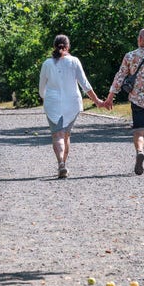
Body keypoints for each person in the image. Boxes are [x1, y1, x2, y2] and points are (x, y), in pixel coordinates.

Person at [105, 28, 144, 175]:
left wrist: (110, 96)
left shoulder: (130, 56)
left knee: (138, 131)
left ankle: (140, 151)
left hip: (137, 99)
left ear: (140, 39)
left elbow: (120, 76)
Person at [39, 34, 103, 178]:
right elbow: (85, 84)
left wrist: (46, 98)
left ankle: (61, 163)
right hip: (72, 103)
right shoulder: (74, 61)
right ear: (68, 46)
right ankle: (63, 164)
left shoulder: (47, 64)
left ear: (54, 46)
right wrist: (97, 101)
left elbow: (41, 88)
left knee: (57, 135)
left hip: (53, 103)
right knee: (66, 135)